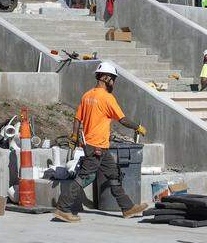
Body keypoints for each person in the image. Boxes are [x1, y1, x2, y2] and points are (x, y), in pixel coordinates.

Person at [53, 63, 149, 223]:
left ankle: (127, 208)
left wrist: (75, 137)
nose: (113, 83)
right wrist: (137, 127)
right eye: (112, 79)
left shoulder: (87, 95)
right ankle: (63, 208)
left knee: (113, 175)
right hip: (96, 146)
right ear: (105, 77)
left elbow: (77, 118)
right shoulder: (107, 98)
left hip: (98, 146)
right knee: (85, 177)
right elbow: (122, 119)